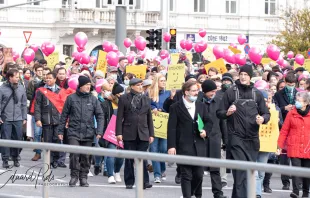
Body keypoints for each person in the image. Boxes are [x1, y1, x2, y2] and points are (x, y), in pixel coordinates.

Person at [217, 64, 270, 198]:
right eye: (241, 74)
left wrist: (262, 119)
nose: (243, 76)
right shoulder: (231, 92)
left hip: (252, 139)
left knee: (248, 174)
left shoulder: (256, 93)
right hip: (236, 137)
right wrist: (227, 113)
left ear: (250, 76)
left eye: (246, 74)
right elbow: (219, 112)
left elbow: (266, 114)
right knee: (240, 173)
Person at [58, 75, 104, 187]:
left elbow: (100, 115)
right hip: (74, 131)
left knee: (86, 156)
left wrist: (99, 131)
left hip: (88, 132)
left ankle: (83, 177)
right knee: (74, 154)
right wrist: (60, 131)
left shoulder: (93, 99)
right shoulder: (71, 98)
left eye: (89, 85)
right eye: (86, 85)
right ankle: (74, 176)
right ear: (81, 86)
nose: (89, 87)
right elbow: (64, 115)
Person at [167, 80, 211, 198]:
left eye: (197, 90)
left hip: (199, 146)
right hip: (183, 145)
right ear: (186, 92)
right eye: (194, 91)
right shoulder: (175, 107)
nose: (196, 93)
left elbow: (208, 121)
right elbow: (171, 128)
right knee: (186, 175)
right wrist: (171, 146)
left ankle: (191, 193)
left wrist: (205, 131)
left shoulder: (201, 106)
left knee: (199, 175)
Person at [116, 78, 154, 190]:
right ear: (132, 86)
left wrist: (151, 134)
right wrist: (119, 132)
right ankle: (129, 181)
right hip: (128, 132)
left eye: (141, 85)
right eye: (138, 85)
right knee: (129, 159)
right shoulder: (123, 98)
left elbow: (149, 117)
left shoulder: (146, 99)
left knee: (142, 158)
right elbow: (119, 117)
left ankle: (144, 181)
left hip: (143, 132)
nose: (140, 87)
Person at [278, 92, 310, 198]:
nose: (296, 103)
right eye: (296, 100)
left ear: (306, 103)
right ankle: (295, 192)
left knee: (306, 171)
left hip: (307, 147)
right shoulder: (291, 113)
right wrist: (279, 146)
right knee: (296, 170)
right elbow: (284, 130)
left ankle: (306, 192)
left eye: (299, 101)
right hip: (294, 146)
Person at [201, 80, 227, 198]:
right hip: (200, 138)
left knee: (215, 168)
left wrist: (225, 140)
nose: (213, 93)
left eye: (215, 91)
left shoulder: (219, 102)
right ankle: (195, 193)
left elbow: (223, 123)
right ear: (205, 91)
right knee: (198, 169)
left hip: (215, 138)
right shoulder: (198, 102)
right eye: (211, 91)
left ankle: (218, 193)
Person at [148, 73, 174, 183]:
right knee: (154, 150)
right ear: (157, 82)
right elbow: (147, 104)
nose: (163, 82)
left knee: (163, 149)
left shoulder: (168, 93)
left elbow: (172, 107)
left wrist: (172, 98)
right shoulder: (149, 92)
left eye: (165, 80)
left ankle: (162, 169)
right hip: (153, 125)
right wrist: (153, 108)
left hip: (166, 124)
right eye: (161, 80)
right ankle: (157, 174)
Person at [274, 73, 297, 190]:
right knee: (284, 156)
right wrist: (284, 108)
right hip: (283, 126)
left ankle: (298, 182)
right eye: (288, 84)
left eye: (292, 85)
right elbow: (275, 108)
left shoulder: (299, 94)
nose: (290, 87)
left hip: (297, 127)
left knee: (296, 156)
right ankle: (285, 181)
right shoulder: (278, 94)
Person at [0, 68, 27, 168]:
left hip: (18, 118)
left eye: (18, 76)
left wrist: (24, 117)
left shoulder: (21, 88)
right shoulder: (2, 88)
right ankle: (5, 160)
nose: (18, 78)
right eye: (16, 77)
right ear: (10, 77)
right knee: (6, 139)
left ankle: (16, 158)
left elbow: (24, 104)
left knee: (18, 139)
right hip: (6, 118)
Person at [34, 72, 61, 169]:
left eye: (50, 78)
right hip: (46, 120)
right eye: (47, 78)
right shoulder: (41, 91)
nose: (48, 80)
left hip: (58, 120)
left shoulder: (60, 90)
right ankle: (49, 161)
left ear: (55, 79)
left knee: (57, 140)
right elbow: (37, 106)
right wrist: (38, 119)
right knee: (48, 141)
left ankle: (56, 159)